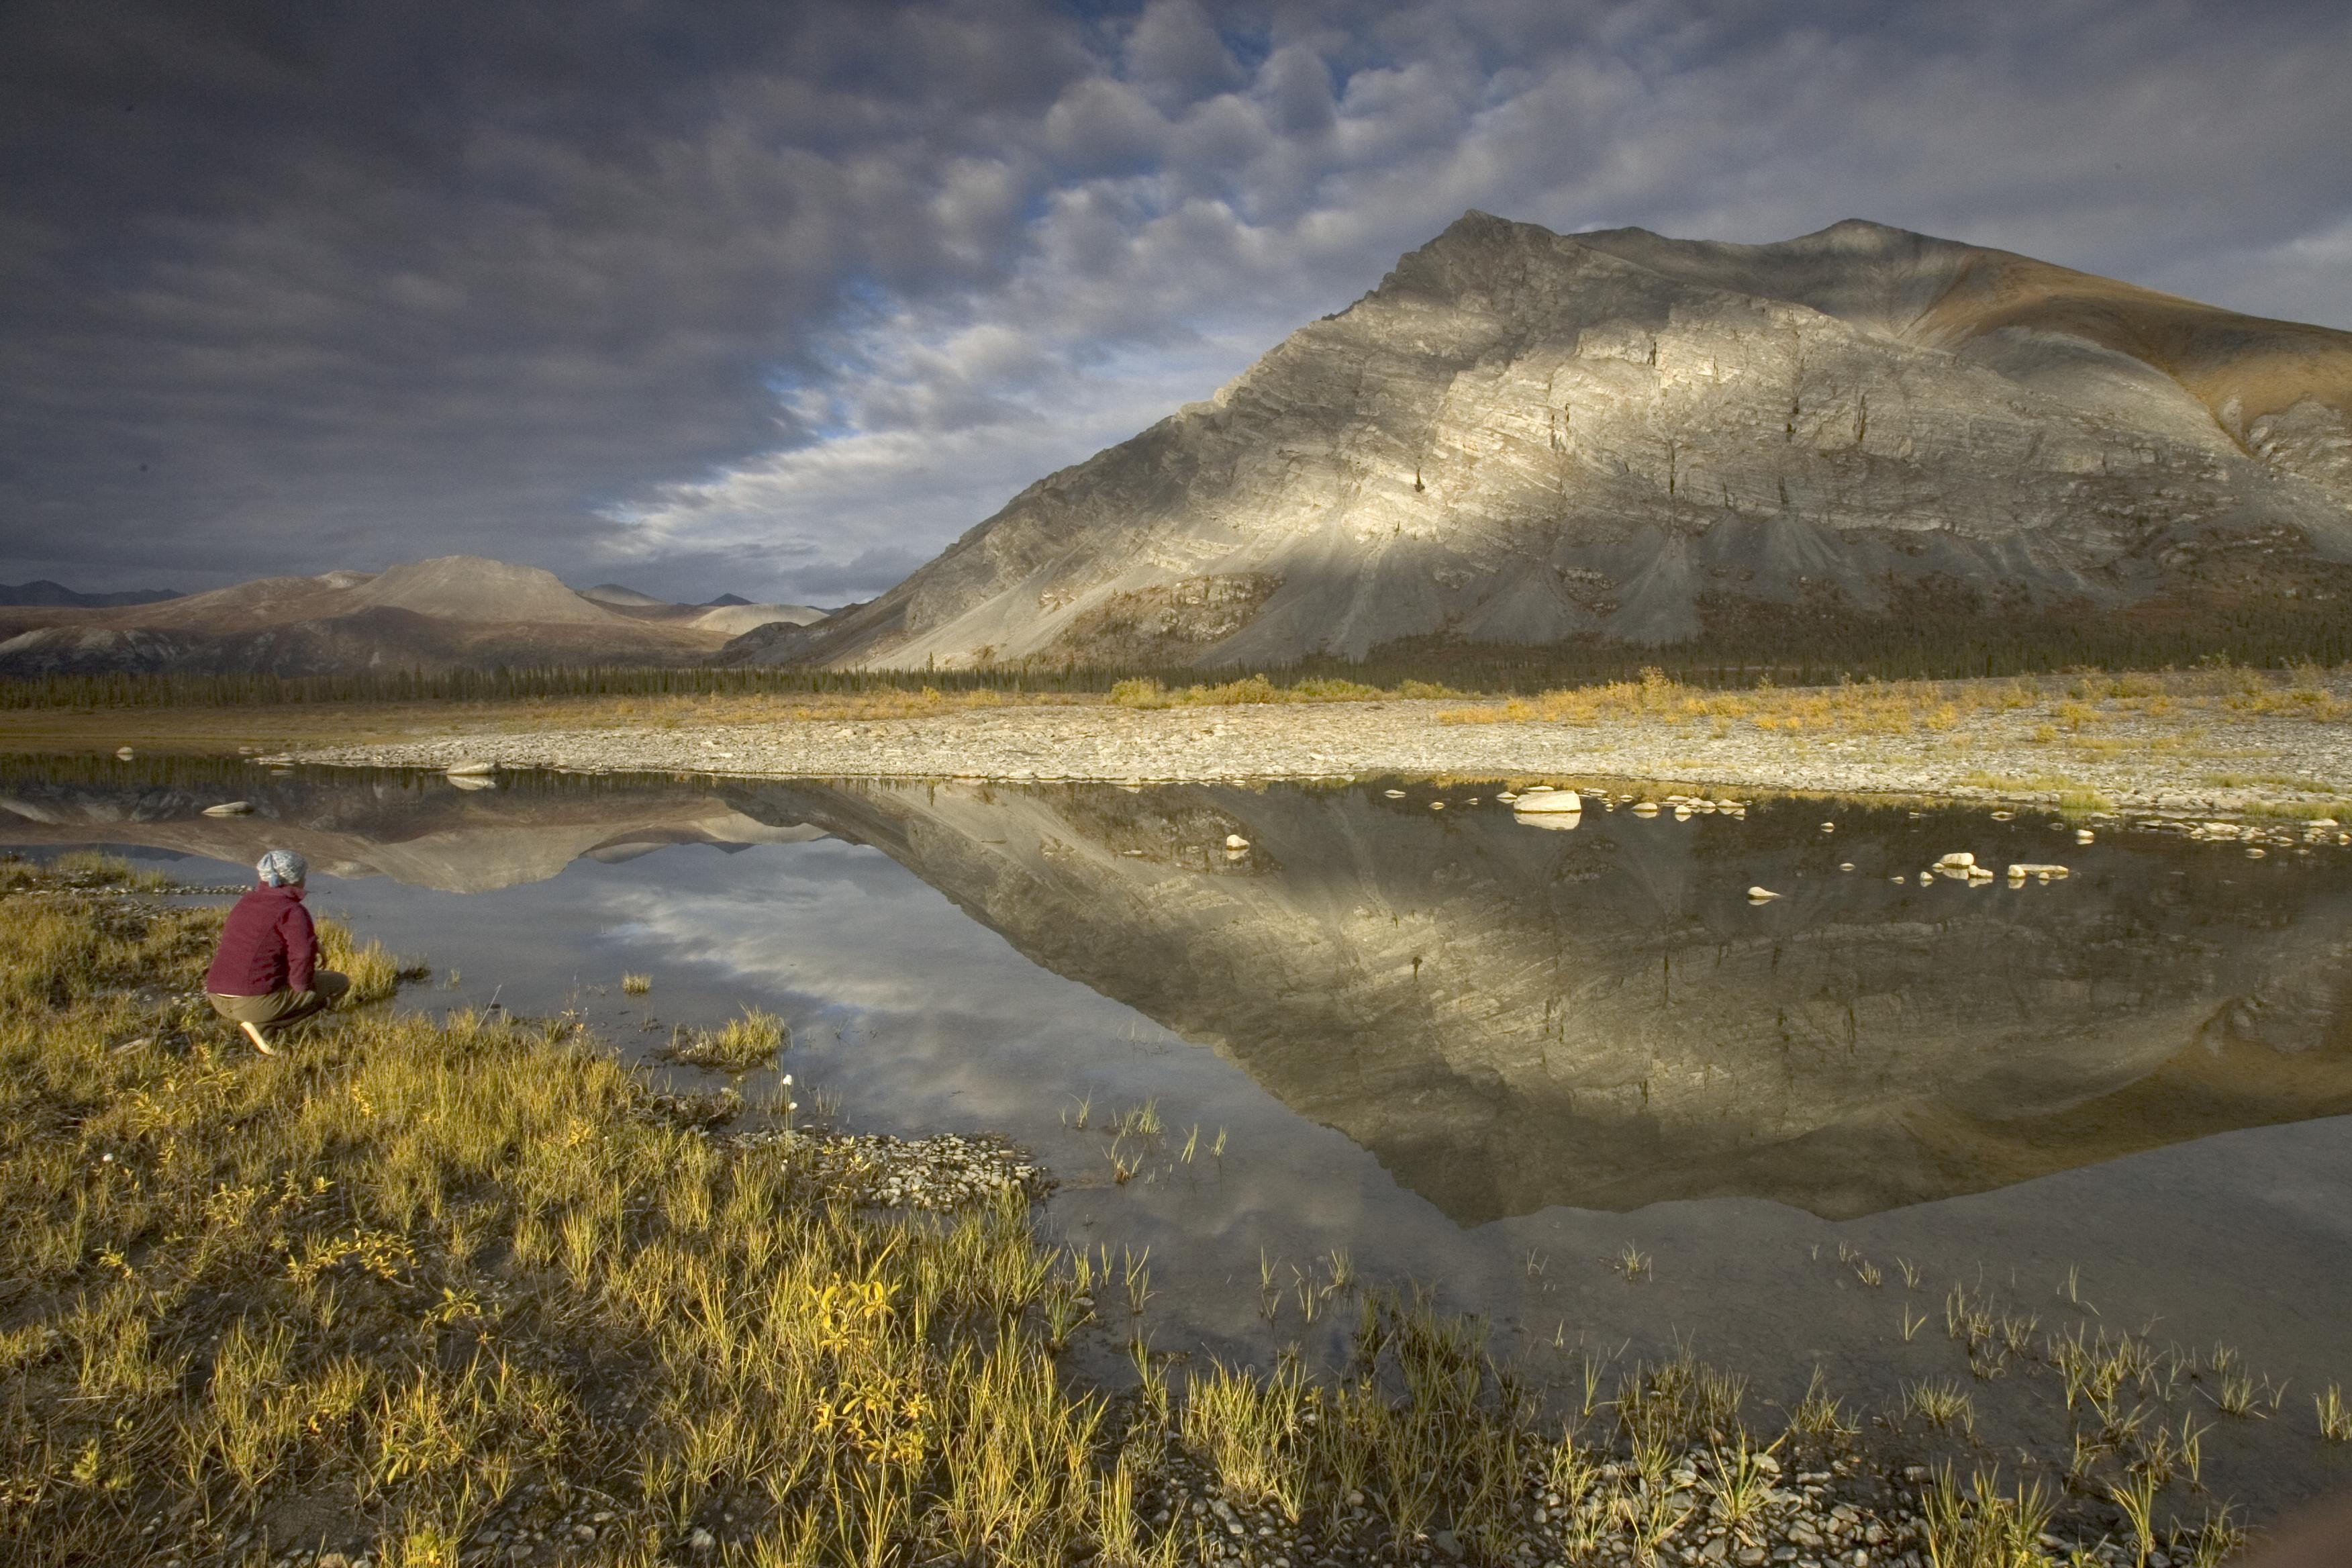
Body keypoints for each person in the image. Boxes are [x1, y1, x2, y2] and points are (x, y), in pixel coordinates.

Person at [204, 849, 348, 1054]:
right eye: (303, 875)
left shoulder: (247, 901)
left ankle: (260, 1020)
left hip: (217, 996)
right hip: (251, 1003)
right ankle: (265, 1026)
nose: (305, 879)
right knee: (338, 983)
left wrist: (314, 943)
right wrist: (302, 988)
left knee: (286, 983)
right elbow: (302, 955)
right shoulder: (292, 910)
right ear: (295, 879)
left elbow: (266, 938)